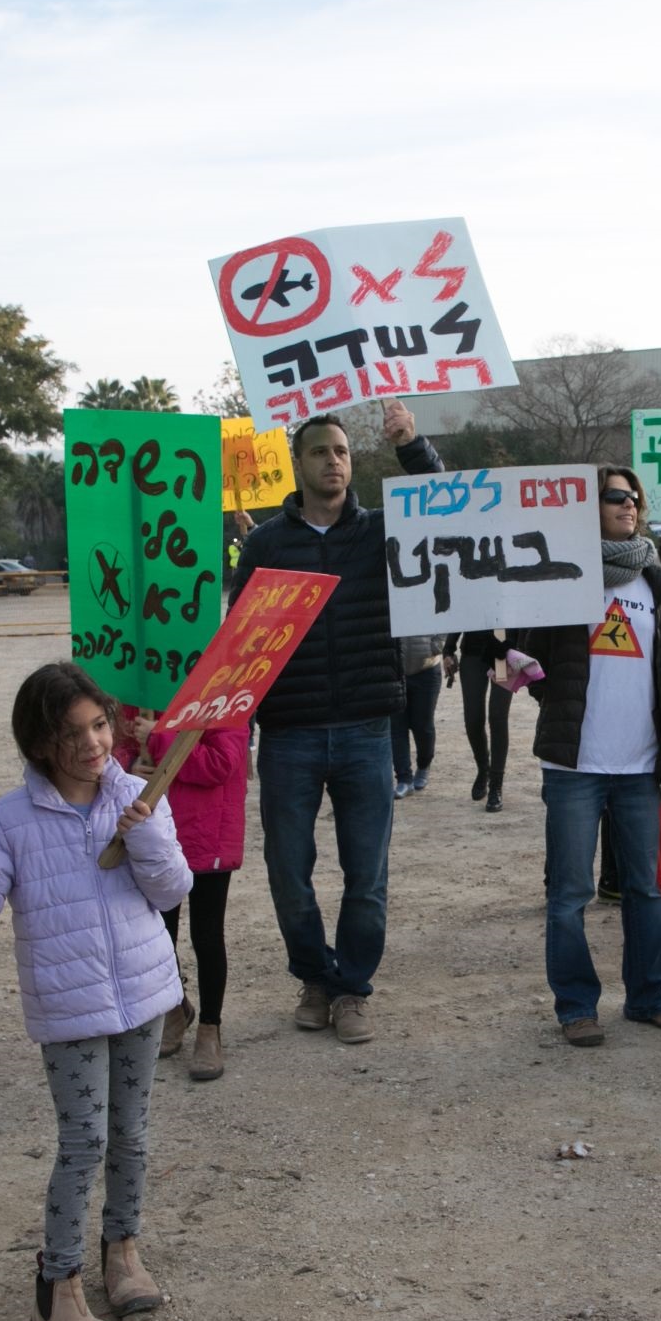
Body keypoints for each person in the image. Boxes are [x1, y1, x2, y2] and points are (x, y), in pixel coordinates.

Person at [0, 664, 190, 1321]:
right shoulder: (10, 822)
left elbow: (172, 889)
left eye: (98, 724)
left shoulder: (140, 793)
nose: (91, 743)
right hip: (71, 1009)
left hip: (144, 996)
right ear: (38, 744)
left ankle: (123, 1252)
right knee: (84, 1140)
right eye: (69, 733)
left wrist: (142, 830)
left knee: (132, 1135)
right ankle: (58, 1286)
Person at [226, 399, 440, 1048]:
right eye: (320, 451)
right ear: (297, 464)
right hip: (289, 733)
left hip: (366, 729)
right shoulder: (264, 544)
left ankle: (352, 989)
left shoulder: (381, 530)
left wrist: (410, 443)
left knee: (366, 876)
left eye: (343, 451)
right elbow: (239, 639)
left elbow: (441, 507)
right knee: (288, 871)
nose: (334, 461)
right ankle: (313, 978)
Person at [509, 464, 661, 1046]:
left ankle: (648, 996)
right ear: (586, 506)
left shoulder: (656, 581)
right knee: (569, 894)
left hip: (640, 766)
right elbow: (534, 662)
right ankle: (576, 1007)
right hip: (574, 767)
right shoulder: (560, 575)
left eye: (635, 497)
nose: (630, 505)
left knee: (644, 888)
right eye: (616, 497)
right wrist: (555, 695)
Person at [118, 702, 247, 1083]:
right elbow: (118, 747)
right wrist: (129, 766)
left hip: (208, 833)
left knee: (206, 936)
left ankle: (211, 1027)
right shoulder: (137, 691)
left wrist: (158, 738)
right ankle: (175, 1007)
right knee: (159, 935)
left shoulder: (224, 697)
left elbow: (220, 765)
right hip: (155, 835)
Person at [445, 627, 513, 812]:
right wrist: (448, 649)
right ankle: (484, 768)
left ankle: (496, 785)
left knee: (498, 717)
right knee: (473, 719)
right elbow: (461, 610)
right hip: (473, 653)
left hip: (503, 652)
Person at [392, 633, 444, 798]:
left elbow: (444, 617)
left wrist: (435, 646)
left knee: (423, 725)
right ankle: (403, 778)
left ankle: (424, 765)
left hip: (426, 669)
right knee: (397, 726)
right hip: (395, 670)